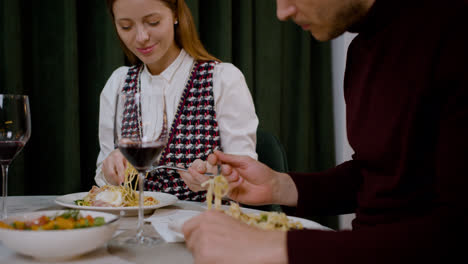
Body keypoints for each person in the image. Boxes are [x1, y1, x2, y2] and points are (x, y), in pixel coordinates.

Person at [180, 0, 468, 263]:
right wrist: (280, 186)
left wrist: (280, 246)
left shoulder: (455, 33)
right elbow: (379, 176)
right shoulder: (362, 48)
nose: (282, 12)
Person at [94, 0, 258, 202]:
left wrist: (214, 175)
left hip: (204, 225)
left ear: (175, 14)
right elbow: (102, 179)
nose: (141, 37)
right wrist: (109, 169)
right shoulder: (118, 83)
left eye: (153, 22)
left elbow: (245, 178)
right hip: (137, 226)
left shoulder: (222, 79)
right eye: (126, 26)